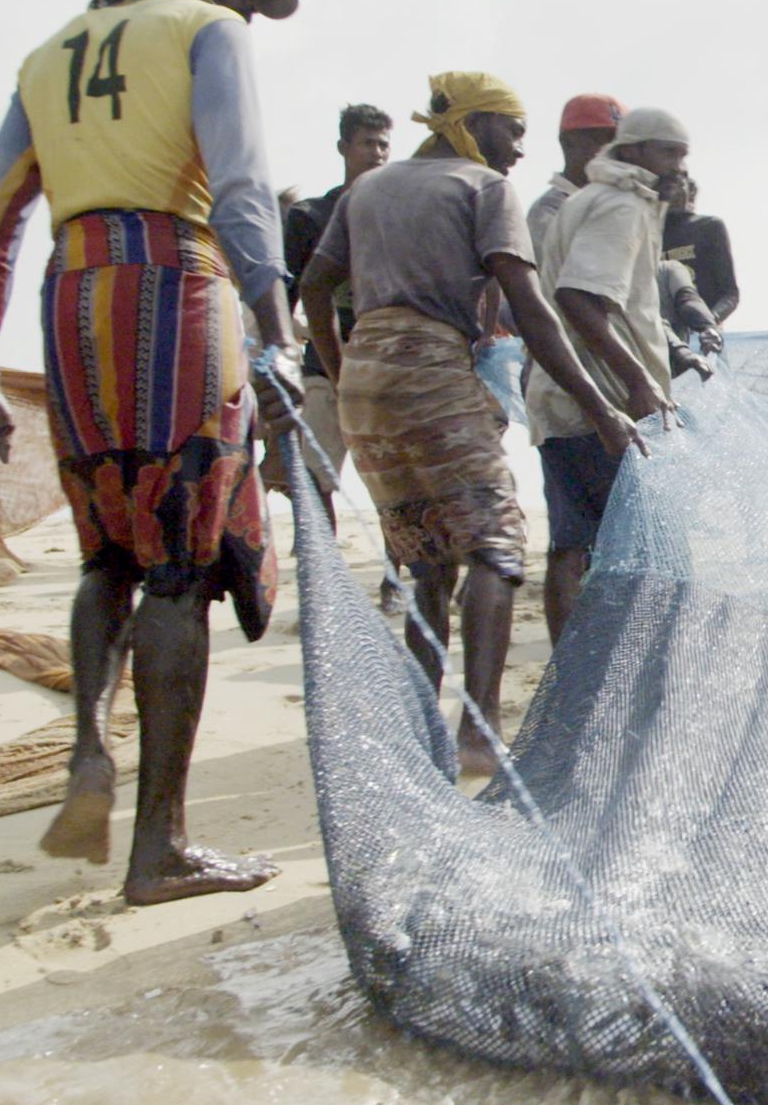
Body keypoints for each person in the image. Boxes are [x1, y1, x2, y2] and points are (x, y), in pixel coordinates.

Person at [0, 0, 304, 903]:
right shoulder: (203, 30)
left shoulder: (46, 54)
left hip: (76, 296)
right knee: (182, 568)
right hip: (175, 286)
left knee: (109, 549)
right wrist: (278, 334)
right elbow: (241, 186)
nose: (252, 11)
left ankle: (91, 749)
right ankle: (162, 848)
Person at [297, 73, 648, 774]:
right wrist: (602, 404)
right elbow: (530, 302)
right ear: (475, 122)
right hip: (431, 362)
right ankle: (479, 732)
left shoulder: (369, 188)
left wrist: (343, 378)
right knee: (495, 547)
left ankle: (422, 730)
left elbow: (313, 286)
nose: (519, 148)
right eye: (512, 130)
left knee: (427, 560)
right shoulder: (483, 188)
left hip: (367, 370)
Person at [528, 106, 699, 643]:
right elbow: (579, 298)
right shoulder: (622, 205)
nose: (678, 166)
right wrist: (638, 383)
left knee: (572, 543)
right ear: (632, 151)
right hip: (605, 408)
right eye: (668, 152)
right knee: (656, 553)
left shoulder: (586, 199)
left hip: (561, 399)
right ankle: (642, 673)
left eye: (683, 155)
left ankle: (573, 676)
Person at [279, 102, 393, 525]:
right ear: (343, 147)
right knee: (314, 476)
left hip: (383, 366)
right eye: (367, 143)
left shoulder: (395, 213)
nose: (377, 153)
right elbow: (290, 291)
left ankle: (392, 576)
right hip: (324, 367)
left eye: (383, 145)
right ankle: (326, 564)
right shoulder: (311, 217)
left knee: (392, 479)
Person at [527, 93, 623, 259]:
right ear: (569, 143)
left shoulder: (621, 203)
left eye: (619, 143)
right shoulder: (550, 211)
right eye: (604, 140)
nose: (614, 152)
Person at [661, 175, 738, 324]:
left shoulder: (709, 227)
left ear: (689, 191)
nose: (674, 193)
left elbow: (730, 294)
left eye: (679, 185)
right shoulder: (646, 234)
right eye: (667, 187)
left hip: (703, 333)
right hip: (659, 334)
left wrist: (708, 323)